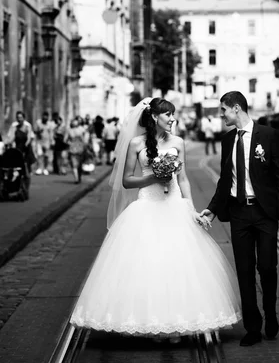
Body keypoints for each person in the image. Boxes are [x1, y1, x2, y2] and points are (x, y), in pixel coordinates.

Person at [70, 97, 241, 340]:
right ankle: (147, 320)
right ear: (154, 117)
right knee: (147, 263)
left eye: (173, 115)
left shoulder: (178, 142)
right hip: (146, 205)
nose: (172, 119)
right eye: (168, 115)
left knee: (178, 265)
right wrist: (153, 177)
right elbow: (127, 180)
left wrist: (190, 209)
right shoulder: (136, 143)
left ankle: (177, 322)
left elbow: (183, 180)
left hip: (174, 205)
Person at [200, 91, 279, 347]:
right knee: (244, 270)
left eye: (224, 110)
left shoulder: (269, 136)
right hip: (239, 211)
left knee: (267, 267)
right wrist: (213, 209)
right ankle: (252, 327)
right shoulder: (228, 139)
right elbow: (224, 180)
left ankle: (271, 312)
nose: (221, 115)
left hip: (264, 213)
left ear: (237, 108)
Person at [66, 119, 88, 183]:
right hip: (80, 149)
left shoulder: (69, 131)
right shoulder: (81, 130)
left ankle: (77, 178)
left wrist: (71, 143)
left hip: (73, 149)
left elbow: (65, 140)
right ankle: (78, 178)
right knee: (79, 164)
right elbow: (84, 141)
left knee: (74, 165)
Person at [34, 111, 55, 176]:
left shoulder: (50, 124)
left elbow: (51, 133)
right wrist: (38, 131)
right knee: (40, 155)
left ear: (48, 117)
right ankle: (40, 168)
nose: (45, 117)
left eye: (46, 116)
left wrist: (52, 141)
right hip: (39, 141)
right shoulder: (38, 122)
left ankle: (45, 168)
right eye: (44, 116)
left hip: (47, 142)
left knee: (46, 156)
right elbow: (34, 131)